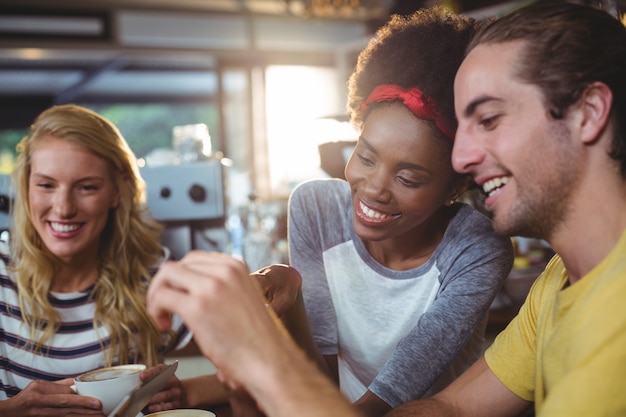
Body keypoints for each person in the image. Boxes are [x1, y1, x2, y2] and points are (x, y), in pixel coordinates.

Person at [250, 6, 513, 416]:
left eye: (408, 179)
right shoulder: (316, 208)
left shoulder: (477, 248)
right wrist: (293, 295)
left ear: (456, 185)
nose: (373, 189)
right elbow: (320, 377)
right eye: (366, 156)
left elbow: (388, 397)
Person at [385, 1, 626, 416]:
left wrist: (272, 368)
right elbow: (450, 409)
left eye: (490, 119)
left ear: (587, 113)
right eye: (462, 129)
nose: (460, 160)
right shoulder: (559, 279)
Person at [0, 104, 193, 416]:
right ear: (25, 187)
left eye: (87, 187)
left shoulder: (153, 275)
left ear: (116, 192)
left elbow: (247, 367)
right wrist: (11, 410)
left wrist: (185, 393)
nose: (63, 208)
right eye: (46, 185)